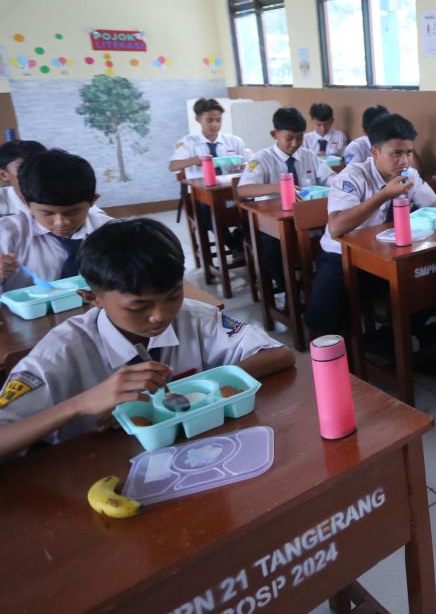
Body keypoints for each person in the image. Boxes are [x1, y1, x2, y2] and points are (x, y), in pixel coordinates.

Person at [0, 218, 293, 459]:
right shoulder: (59, 353)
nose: (160, 316)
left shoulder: (194, 317)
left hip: (195, 453)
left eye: (173, 296)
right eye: (139, 306)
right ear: (93, 298)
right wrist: (81, 403)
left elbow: (279, 355)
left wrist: (184, 392)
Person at [305, 113, 436, 338]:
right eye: (396, 154)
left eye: (408, 152)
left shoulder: (409, 175)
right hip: (342, 256)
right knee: (324, 312)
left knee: (429, 284)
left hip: (389, 254)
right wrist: (384, 194)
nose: (405, 161)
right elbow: (336, 227)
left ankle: (401, 340)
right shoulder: (353, 177)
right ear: (375, 152)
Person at [238, 107, 334, 296]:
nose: (294, 143)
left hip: (309, 218)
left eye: (299, 138)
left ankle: (318, 284)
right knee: (272, 253)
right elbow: (243, 189)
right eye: (289, 138)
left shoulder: (309, 156)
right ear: (275, 134)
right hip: (274, 225)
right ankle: (290, 290)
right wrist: (277, 188)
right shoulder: (261, 159)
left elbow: (331, 179)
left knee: (333, 241)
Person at [0, 150, 113, 291]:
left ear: (93, 201)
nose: (61, 222)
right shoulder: (6, 234)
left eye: (72, 212)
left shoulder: (114, 233)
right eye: (47, 213)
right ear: (25, 201)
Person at [168, 98, 252, 248]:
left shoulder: (233, 141)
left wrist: (243, 166)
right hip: (202, 198)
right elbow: (173, 166)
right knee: (209, 212)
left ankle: (242, 239)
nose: (215, 124)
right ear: (198, 119)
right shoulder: (188, 143)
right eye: (210, 120)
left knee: (251, 206)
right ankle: (235, 245)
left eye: (219, 120)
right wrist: (194, 160)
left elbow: (253, 163)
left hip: (230, 193)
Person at [0, 139, 46, 216]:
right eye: (23, 168)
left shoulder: (63, 195)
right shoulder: (2, 202)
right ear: (3, 175)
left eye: (41, 166)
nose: (34, 173)